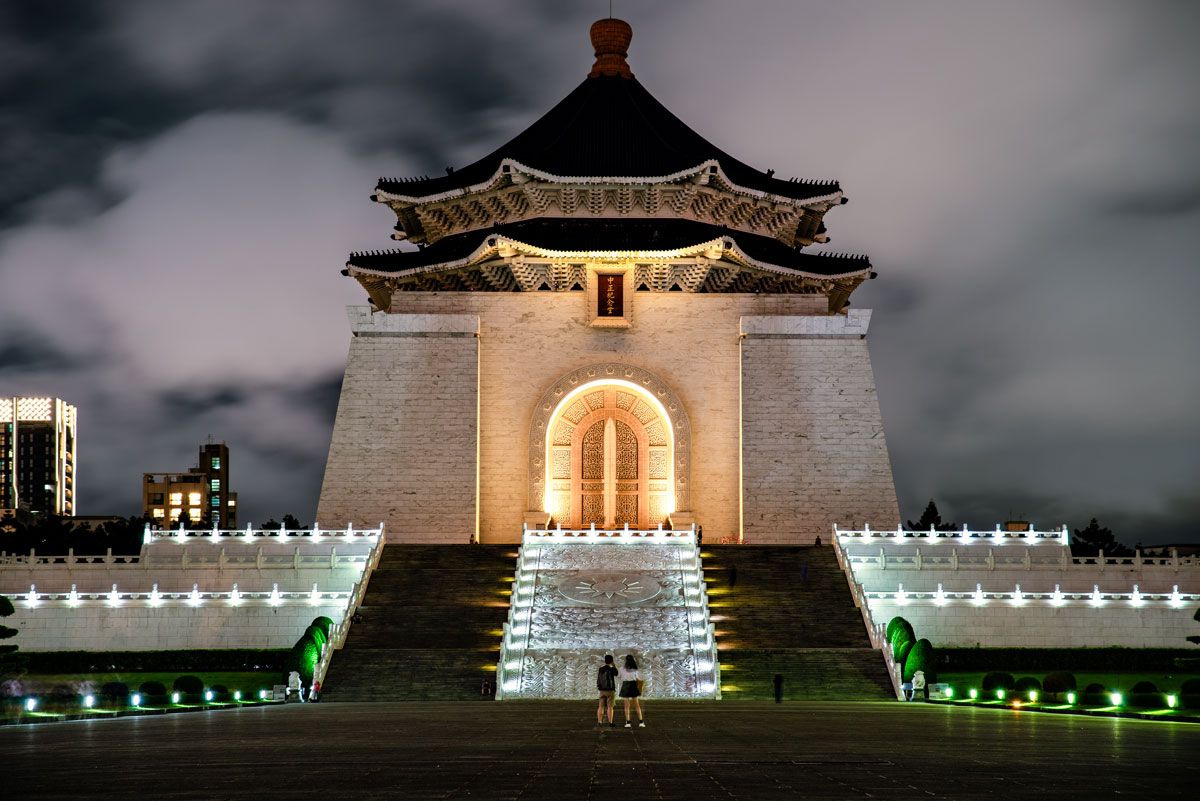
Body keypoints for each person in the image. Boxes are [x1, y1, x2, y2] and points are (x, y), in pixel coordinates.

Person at [618, 654, 645, 727]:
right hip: (633, 685)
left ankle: (628, 722)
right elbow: (637, 677)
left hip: (625, 685)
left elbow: (619, 676)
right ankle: (641, 722)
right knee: (637, 704)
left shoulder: (621, 668)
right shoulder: (635, 668)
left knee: (626, 705)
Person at [596, 654, 618, 726]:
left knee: (601, 707)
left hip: (602, 690)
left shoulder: (601, 669)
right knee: (610, 707)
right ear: (611, 661)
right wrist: (614, 665)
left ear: (605, 661)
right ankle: (610, 722)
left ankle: (599, 722)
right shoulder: (611, 669)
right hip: (610, 690)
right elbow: (616, 673)